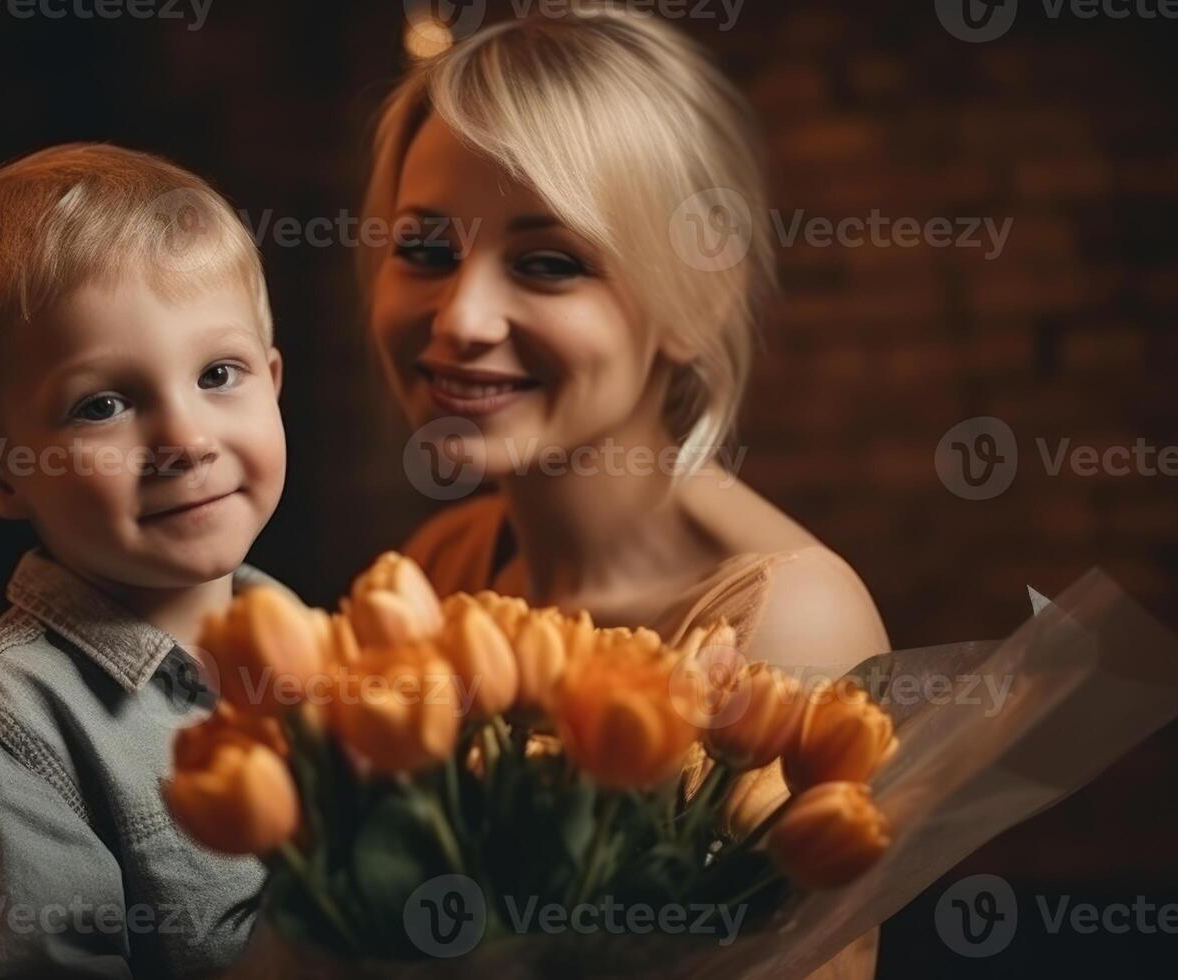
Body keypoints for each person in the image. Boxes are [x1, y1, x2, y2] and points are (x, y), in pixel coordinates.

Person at [362, 5, 888, 975]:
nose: (462, 315)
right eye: (425, 250)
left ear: (697, 299)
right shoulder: (435, 571)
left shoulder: (790, 621)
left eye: (549, 261)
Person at [0, 143, 292, 979]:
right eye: (102, 405)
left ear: (272, 384)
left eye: (217, 373)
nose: (187, 440)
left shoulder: (335, 655)